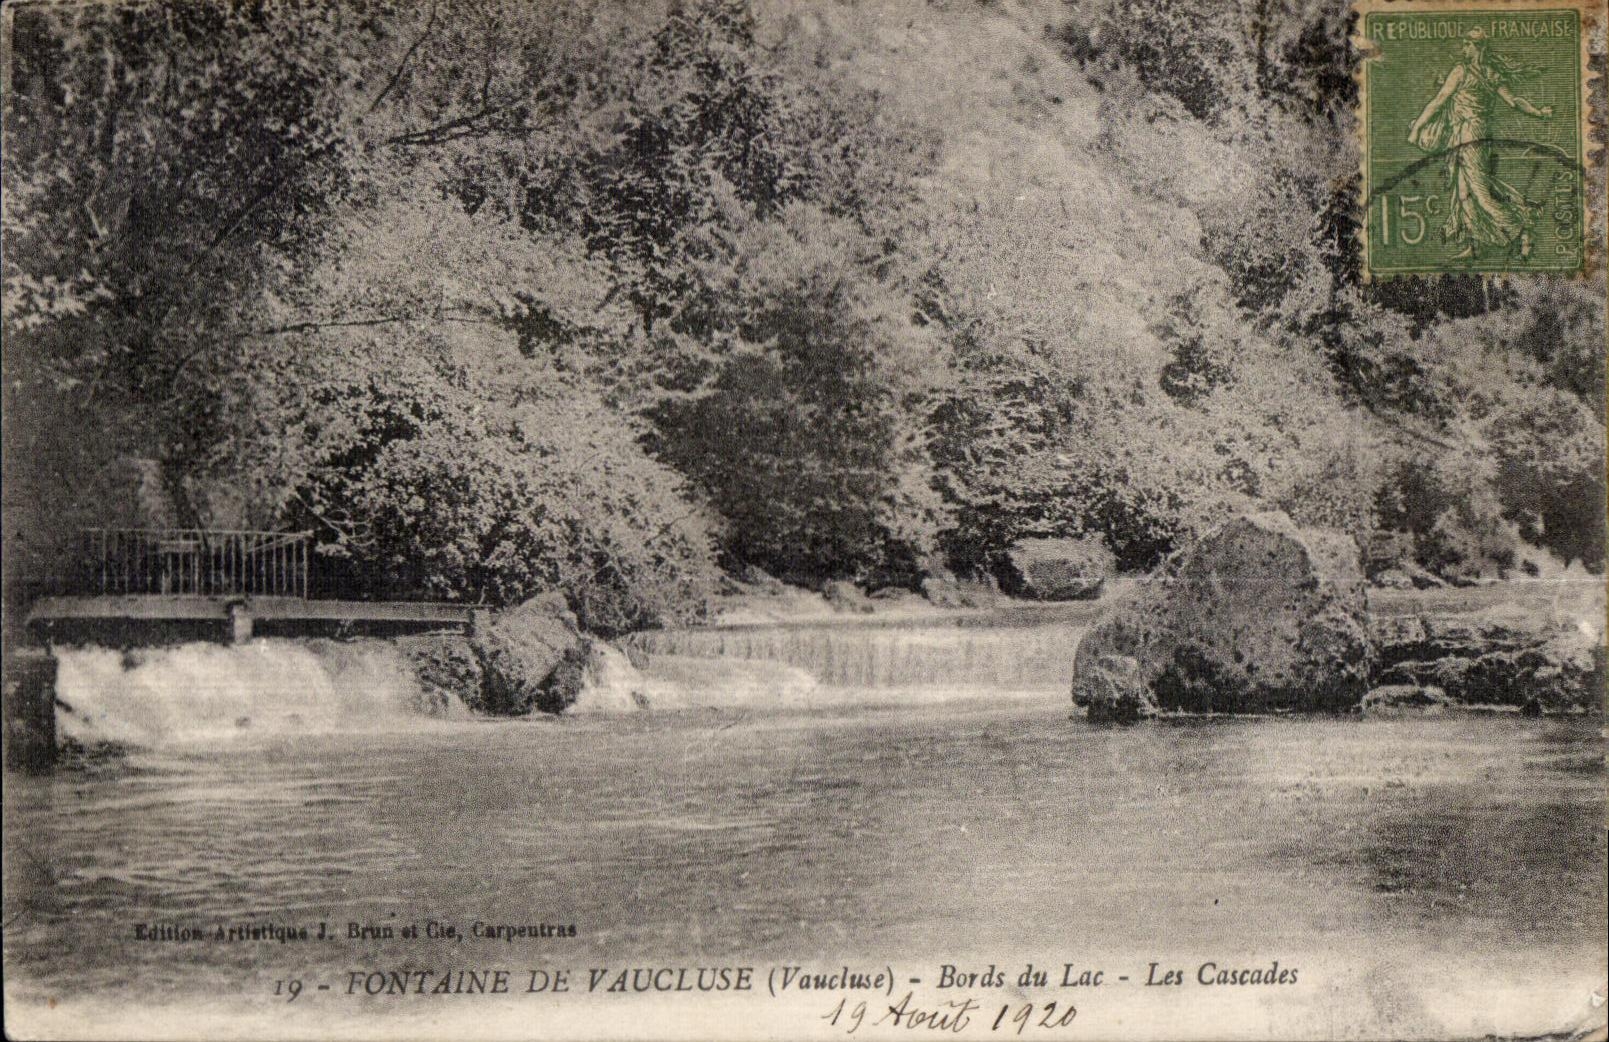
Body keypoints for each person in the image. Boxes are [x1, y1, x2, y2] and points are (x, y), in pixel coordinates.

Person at [1406, 28, 1553, 259]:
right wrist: (1539, 112)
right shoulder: (1490, 74)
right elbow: (1514, 102)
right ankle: (1474, 245)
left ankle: (1521, 229)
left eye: (1467, 45)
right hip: (1475, 133)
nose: (1464, 49)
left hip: (1470, 133)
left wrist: (1416, 129)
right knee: (1464, 191)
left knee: (1479, 190)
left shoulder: (1461, 72)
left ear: (1478, 48)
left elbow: (1438, 102)